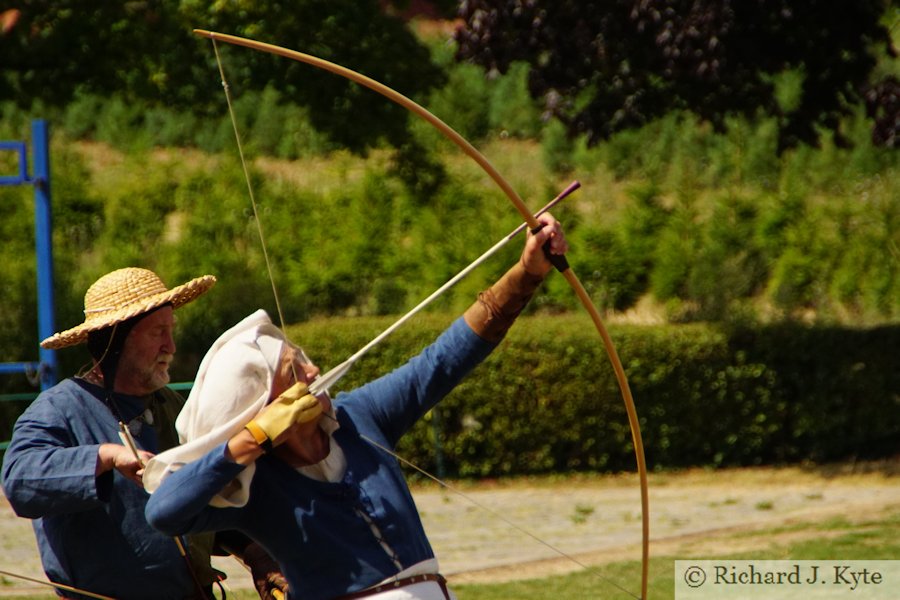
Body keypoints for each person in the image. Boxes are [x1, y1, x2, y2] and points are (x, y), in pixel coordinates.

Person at [143, 214, 568, 600]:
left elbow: (442, 362)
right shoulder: (255, 486)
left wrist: (527, 273)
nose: (314, 370)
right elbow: (163, 512)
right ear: (264, 405)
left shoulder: (356, 416)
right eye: (295, 371)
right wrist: (250, 440)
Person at [1, 267, 287, 600]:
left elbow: (204, 496)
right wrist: (105, 457)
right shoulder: (59, 408)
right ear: (115, 341)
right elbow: (19, 481)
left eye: (171, 331)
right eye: (158, 333)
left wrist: (254, 552)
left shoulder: (172, 406)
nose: (171, 346)